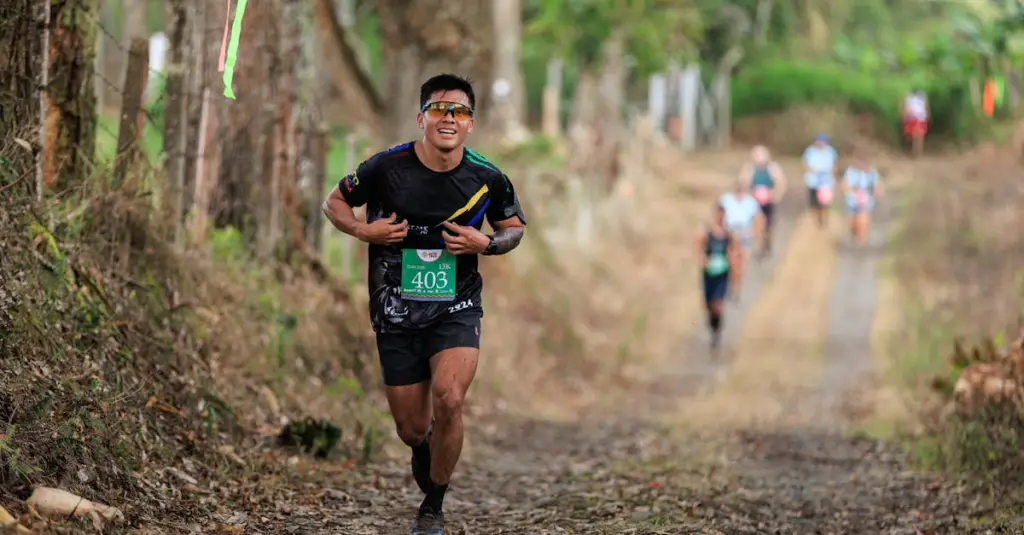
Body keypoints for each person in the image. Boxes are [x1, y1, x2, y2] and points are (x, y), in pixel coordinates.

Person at [321, 74, 527, 535]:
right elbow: (334, 202)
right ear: (422, 118)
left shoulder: (488, 177)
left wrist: (486, 243)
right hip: (395, 307)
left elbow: (513, 227)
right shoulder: (385, 168)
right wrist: (361, 230)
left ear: (471, 123)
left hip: (457, 305)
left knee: (450, 398)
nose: (449, 118)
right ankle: (424, 447)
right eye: (439, 109)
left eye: (459, 112)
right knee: (412, 428)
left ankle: (432, 506)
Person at [694, 203, 739, 351]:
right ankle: (713, 324)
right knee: (709, 305)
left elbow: (734, 252)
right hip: (709, 274)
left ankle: (716, 334)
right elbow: (698, 248)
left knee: (717, 305)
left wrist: (733, 271)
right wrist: (703, 262)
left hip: (722, 273)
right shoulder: (706, 232)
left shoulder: (728, 234)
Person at [719, 178, 763, 300]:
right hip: (730, 235)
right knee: (730, 263)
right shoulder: (726, 200)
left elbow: (758, 220)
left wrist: (755, 236)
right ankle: (730, 284)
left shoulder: (751, 202)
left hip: (744, 236)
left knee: (742, 264)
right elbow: (719, 217)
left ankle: (736, 289)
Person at [738, 145, 786, 257]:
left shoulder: (773, 168)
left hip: (769, 200)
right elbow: (743, 183)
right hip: (754, 201)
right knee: (756, 224)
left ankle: (767, 244)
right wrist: (748, 195)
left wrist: (775, 195)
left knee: (769, 224)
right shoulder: (749, 168)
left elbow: (780, 183)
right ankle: (757, 247)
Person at [840, 152, 884, 246]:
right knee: (853, 222)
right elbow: (845, 184)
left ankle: (862, 240)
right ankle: (855, 232)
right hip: (852, 199)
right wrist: (847, 190)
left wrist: (878, 191)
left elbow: (877, 184)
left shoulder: (872, 173)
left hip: (866, 199)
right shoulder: (851, 171)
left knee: (863, 219)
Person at [801, 133, 838, 228]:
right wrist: (812, 170)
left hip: (826, 182)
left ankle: (824, 222)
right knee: (813, 204)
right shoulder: (810, 151)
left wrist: (834, 177)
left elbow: (834, 165)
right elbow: (804, 164)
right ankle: (816, 221)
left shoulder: (831, 151)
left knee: (825, 203)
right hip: (812, 182)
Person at [901, 89, 929, 157]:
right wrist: (904, 116)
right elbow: (906, 108)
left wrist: (927, 115)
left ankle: (917, 151)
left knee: (919, 135)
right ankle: (916, 151)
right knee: (914, 135)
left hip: (920, 118)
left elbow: (926, 106)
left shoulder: (922, 96)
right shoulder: (908, 97)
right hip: (913, 118)